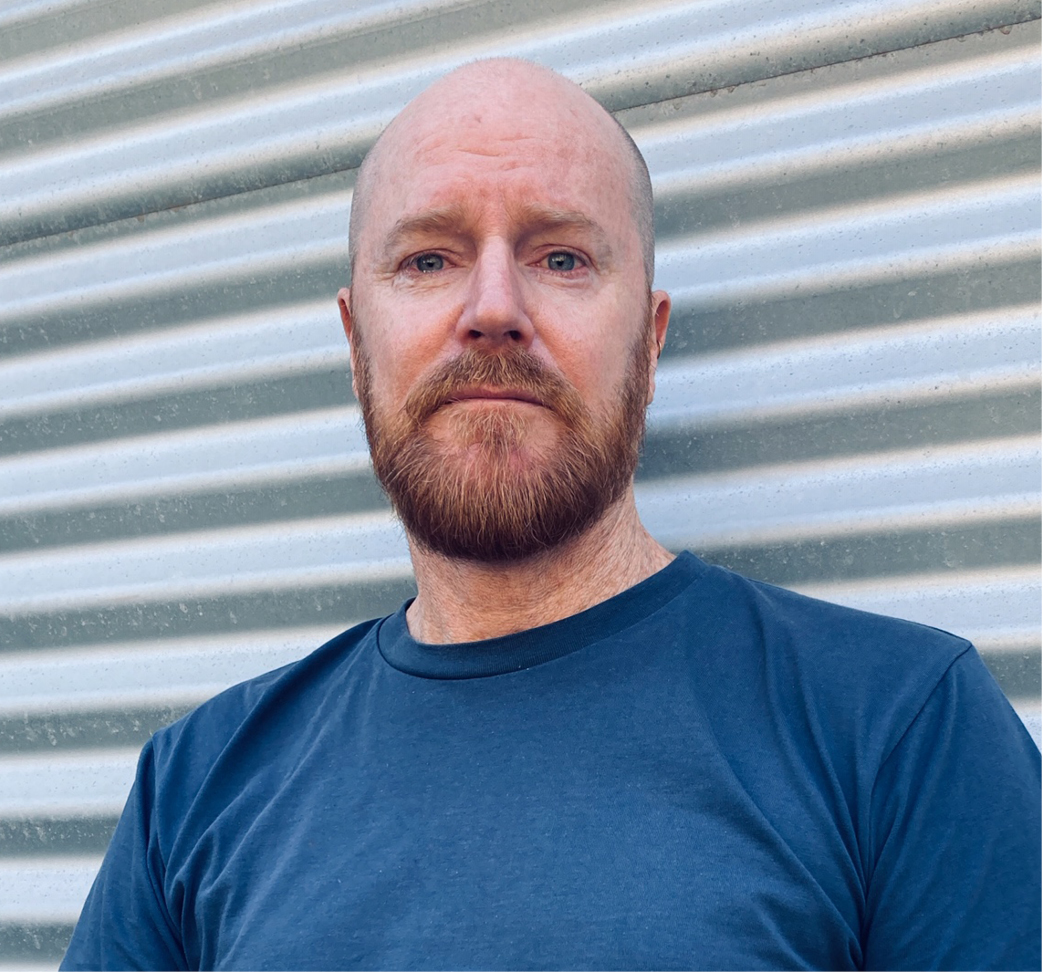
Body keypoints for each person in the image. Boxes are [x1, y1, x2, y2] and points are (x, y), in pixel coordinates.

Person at [62, 59, 1040, 971]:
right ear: (357, 343)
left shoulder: (901, 731)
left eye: (563, 257)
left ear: (649, 347)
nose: (492, 308)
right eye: (428, 260)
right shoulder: (193, 790)